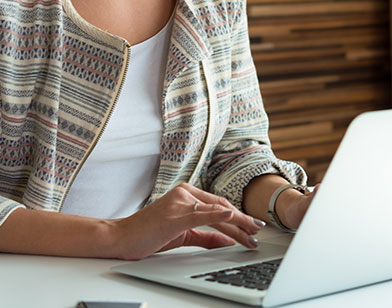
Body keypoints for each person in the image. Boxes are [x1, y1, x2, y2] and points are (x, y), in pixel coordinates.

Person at [0, 0, 317, 260]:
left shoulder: (217, 5)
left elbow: (235, 150)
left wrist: (289, 204)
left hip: (164, 276)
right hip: (28, 284)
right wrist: (115, 236)